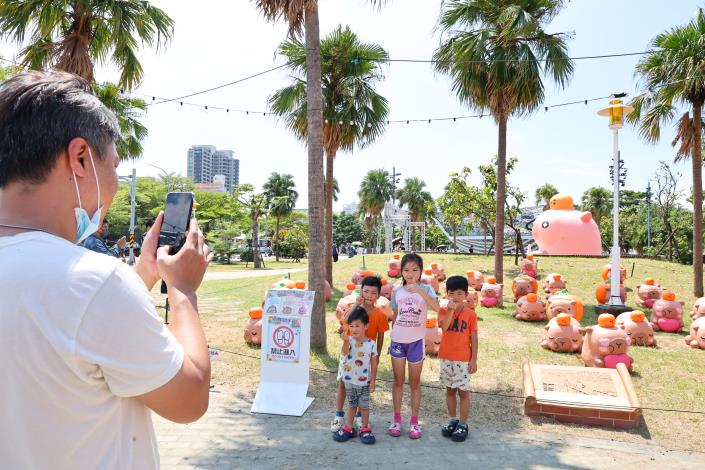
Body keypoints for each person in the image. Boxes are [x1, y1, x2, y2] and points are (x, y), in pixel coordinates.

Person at [0, 71, 212, 469]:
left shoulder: (89, 287)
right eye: (113, 164)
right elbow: (189, 398)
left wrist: (144, 272)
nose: (115, 181)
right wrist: (182, 290)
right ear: (80, 157)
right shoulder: (94, 282)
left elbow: (71, 329)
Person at [388, 253, 439, 439]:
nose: (410, 274)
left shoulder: (426, 289)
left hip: (416, 342)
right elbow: (395, 315)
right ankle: (396, 419)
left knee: (415, 383)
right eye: (407, 270)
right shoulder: (397, 291)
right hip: (398, 342)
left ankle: (414, 421)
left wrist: (419, 290)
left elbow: (437, 308)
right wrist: (393, 335)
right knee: (398, 381)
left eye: (415, 270)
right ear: (401, 272)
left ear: (421, 271)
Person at [331, 276, 388, 436]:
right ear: (361, 291)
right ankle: (338, 415)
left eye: (373, 292)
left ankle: (358, 416)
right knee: (343, 384)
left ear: (379, 295)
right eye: (366, 291)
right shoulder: (355, 308)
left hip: (365, 358)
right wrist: (356, 304)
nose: (369, 295)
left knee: (361, 387)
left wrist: (377, 355)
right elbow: (345, 320)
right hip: (348, 354)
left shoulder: (380, 315)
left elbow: (381, 336)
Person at [438, 276, 479, 442]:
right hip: (446, 357)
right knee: (449, 391)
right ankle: (452, 419)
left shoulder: (471, 314)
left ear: (466, 295)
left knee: (463, 392)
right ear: (446, 293)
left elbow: (474, 337)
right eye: (452, 293)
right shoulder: (443, 310)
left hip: (463, 359)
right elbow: (444, 327)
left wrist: (474, 359)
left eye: (459, 293)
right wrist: (449, 310)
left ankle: (463, 423)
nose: (455, 297)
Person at [332, 307, 378, 444]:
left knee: (364, 406)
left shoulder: (371, 344)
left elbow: (374, 363)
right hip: (349, 381)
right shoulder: (350, 341)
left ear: (366, 326)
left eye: (357, 325)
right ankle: (348, 427)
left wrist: (373, 380)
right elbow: (344, 352)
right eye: (351, 326)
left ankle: (365, 428)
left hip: (364, 383)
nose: (354, 329)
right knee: (352, 405)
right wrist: (345, 341)